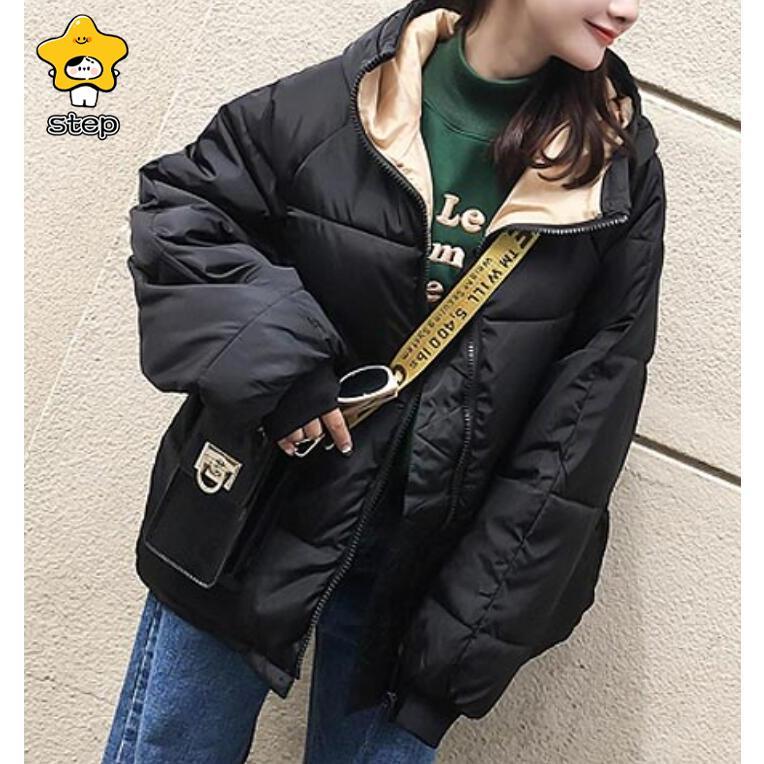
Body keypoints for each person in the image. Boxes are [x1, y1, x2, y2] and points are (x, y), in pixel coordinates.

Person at [103, 0, 663, 761]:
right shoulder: (348, 99)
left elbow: (587, 416)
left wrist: (476, 626)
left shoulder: (615, 167)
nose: (627, 10)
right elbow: (182, 216)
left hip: (425, 578)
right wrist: (283, 373)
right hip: (250, 521)